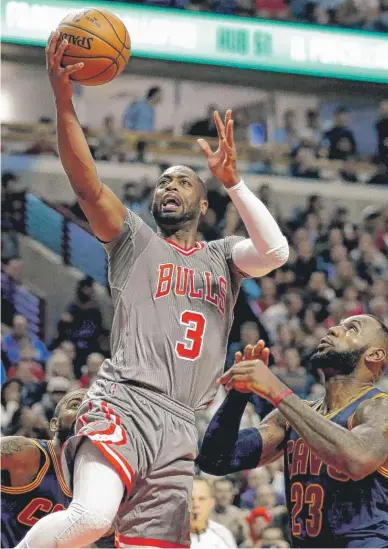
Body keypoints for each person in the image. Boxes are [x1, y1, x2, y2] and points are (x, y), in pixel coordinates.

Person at [17, 31, 289, 549]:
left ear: (202, 203)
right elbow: (86, 184)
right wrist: (62, 99)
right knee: (91, 518)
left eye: (183, 181)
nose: (169, 187)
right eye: (163, 182)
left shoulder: (223, 256)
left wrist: (234, 182)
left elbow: (276, 253)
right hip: (126, 399)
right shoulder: (135, 241)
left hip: (182, 425)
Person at [197, 315, 388, 548]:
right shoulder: (294, 415)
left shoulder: (381, 409)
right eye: (337, 325)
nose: (334, 329)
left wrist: (276, 389)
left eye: (351, 329)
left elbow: (357, 461)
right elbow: (215, 460)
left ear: (374, 354)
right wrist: (240, 393)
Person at [1, 389, 86, 547]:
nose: (85, 412)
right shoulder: (24, 453)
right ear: (54, 424)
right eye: (75, 405)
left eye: (94, 409)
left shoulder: (105, 482)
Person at [190, 477, 237, 548]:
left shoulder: (223, 534)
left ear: (211, 503)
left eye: (202, 499)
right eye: (190, 499)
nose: (196, 504)